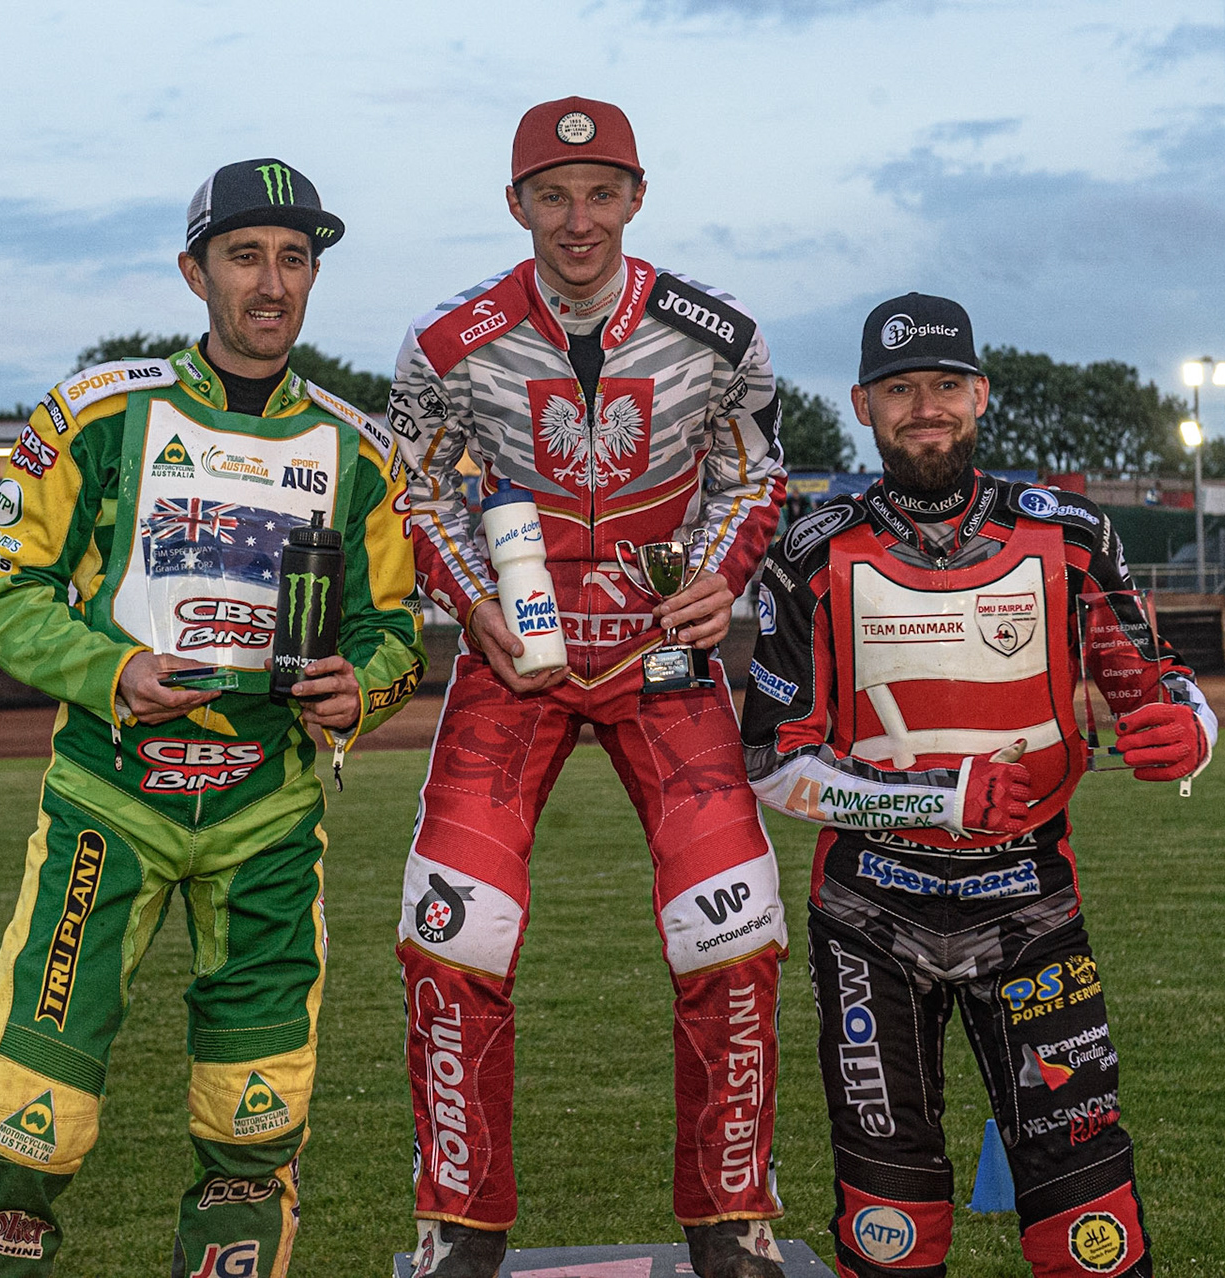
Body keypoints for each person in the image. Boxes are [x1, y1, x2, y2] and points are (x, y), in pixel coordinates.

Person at [0, 158, 425, 1278]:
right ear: (194, 270)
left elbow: (395, 629)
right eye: (246, 256)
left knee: (254, 1126)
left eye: (295, 260)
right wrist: (112, 673)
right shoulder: (100, 412)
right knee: (30, 1114)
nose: (272, 283)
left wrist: (367, 691)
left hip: (267, 818)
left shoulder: (361, 452)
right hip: (108, 805)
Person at [389, 98, 790, 1278]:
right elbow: (418, 496)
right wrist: (474, 606)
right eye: (553, 196)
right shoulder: (446, 342)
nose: (578, 218)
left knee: (734, 926)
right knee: (452, 930)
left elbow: (754, 478)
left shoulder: (721, 334)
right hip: (514, 661)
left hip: (660, 658)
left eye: (600, 192)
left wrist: (716, 582)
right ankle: (458, 1224)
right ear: (515, 203)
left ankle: (732, 1220)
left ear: (638, 196)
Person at [741, 294, 1215, 1278]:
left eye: (946, 386)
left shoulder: (1070, 536)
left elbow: (1150, 687)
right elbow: (774, 767)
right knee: (891, 1223)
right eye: (902, 389)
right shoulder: (811, 552)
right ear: (865, 403)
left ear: (981, 396)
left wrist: (1193, 728)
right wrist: (933, 801)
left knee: (1089, 1211)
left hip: (1032, 911)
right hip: (869, 920)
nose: (927, 407)